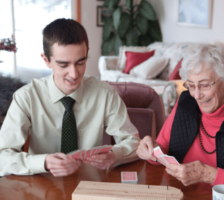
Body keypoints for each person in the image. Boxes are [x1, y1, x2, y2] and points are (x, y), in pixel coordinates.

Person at [137, 42, 224, 199]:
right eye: (191, 85)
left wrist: (209, 175)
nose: (197, 95)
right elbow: (162, 149)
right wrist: (151, 150)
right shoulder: (185, 102)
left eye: (205, 85)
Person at [0, 18, 140, 177]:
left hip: (90, 184)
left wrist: (115, 155)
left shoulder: (105, 94)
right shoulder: (26, 97)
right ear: (46, 60)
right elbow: (2, 156)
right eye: (63, 65)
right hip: (42, 186)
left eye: (80, 62)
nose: (74, 74)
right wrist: (44, 162)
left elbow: (134, 142)